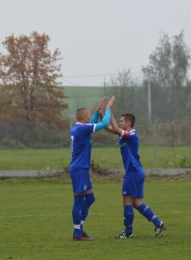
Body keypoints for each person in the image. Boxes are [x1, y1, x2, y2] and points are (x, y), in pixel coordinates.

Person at [106, 112, 166, 238]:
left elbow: (116, 129)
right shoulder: (124, 135)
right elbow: (110, 128)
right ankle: (158, 223)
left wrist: (109, 112)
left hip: (133, 172)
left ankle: (128, 233)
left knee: (126, 202)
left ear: (128, 123)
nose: (120, 122)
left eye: (122, 121)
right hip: (137, 171)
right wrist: (102, 115)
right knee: (136, 203)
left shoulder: (131, 134)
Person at [70, 96, 115, 241]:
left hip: (82, 169)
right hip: (79, 169)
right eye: (89, 115)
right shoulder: (81, 129)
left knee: (90, 198)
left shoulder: (80, 128)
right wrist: (108, 109)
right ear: (83, 117)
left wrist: (97, 111)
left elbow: (93, 123)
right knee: (78, 201)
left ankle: (80, 229)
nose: (90, 117)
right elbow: (104, 123)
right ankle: (77, 234)